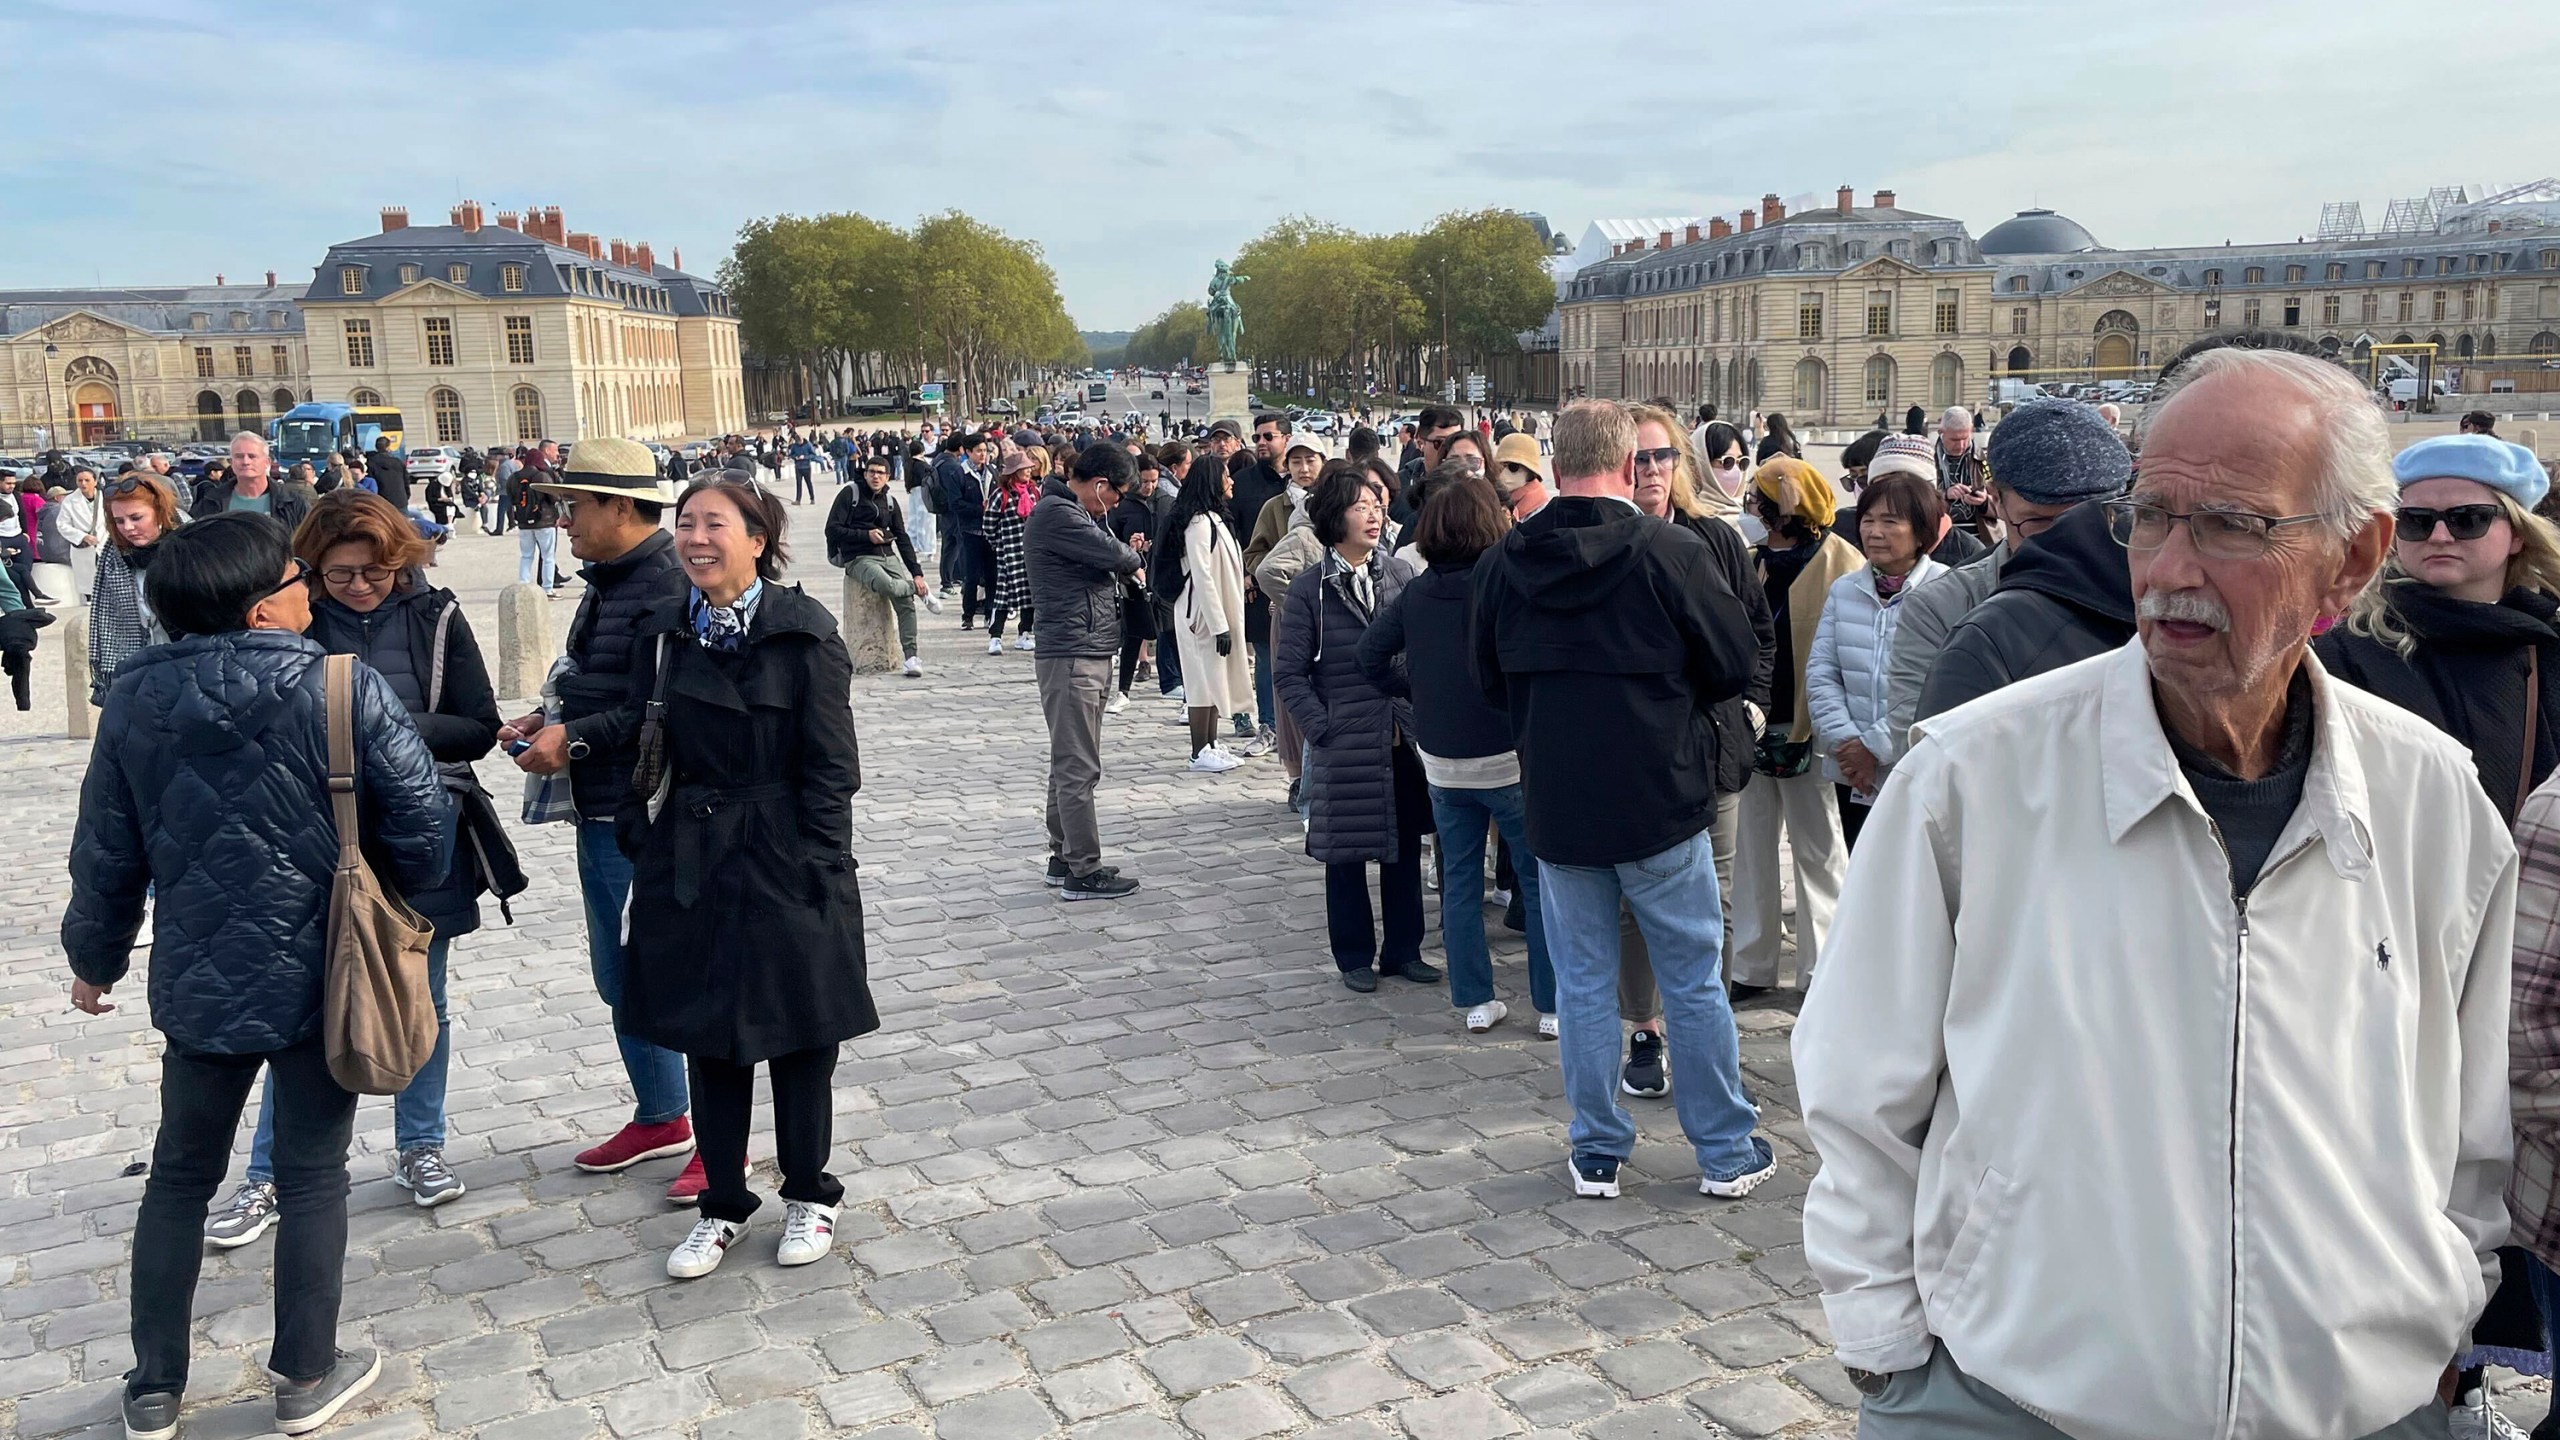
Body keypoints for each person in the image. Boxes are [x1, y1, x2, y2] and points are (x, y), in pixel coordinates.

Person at [1796, 346, 2514, 1440]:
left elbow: (2474, 1120)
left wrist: (2435, 1300)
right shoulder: (1972, 778)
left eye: (2230, 524)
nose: (2168, 566)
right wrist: (1889, 1354)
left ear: (2353, 557)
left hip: (2359, 1411)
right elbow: (1857, 1085)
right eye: (2149, 515)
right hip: (2014, 1405)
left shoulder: (2429, 794)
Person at [64, 511, 450, 1440]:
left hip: (199, 976)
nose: (306, 586)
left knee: (178, 1179)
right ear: (260, 604)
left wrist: (94, 959)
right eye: (292, 575)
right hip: (330, 972)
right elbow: (425, 832)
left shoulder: (133, 700)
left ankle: (155, 1388)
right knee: (314, 1176)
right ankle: (306, 1376)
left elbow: (104, 853)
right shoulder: (337, 686)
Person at [1471, 399, 1771, 1202]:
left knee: (1584, 986)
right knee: (1692, 982)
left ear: (1555, 467)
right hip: (1661, 798)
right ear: (1628, 464)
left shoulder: (1506, 563)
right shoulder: (1668, 551)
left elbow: (1487, 678)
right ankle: (1724, 1148)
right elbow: (1732, 661)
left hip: (1562, 804)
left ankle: (1598, 1146)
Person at [201, 493, 502, 1246]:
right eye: (340, 575)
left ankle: (420, 1147)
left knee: (417, 999)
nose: (359, 587)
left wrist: (381, 728)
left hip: (420, 833)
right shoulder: (297, 617)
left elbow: (480, 725)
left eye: (373, 572)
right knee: (301, 1013)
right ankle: (269, 1174)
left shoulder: (436, 618)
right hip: (314, 840)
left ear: (398, 560)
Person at [613, 477, 877, 1279]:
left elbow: (833, 769)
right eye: (686, 524)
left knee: (801, 1039)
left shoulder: (805, 634)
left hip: (785, 855)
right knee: (711, 1041)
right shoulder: (661, 631)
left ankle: (809, 1192)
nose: (695, 538)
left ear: (757, 540)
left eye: (713, 524)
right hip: (689, 859)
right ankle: (722, 1203)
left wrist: (821, 866)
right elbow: (636, 731)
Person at [498, 439, 699, 1202]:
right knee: (619, 977)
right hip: (601, 805)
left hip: (647, 811)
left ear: (620, 506)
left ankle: (720, 1137)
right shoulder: (609, 581)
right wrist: (546, 717)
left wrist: (574, 737)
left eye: (573, 503)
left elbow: (673, 706)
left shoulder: (671, 582)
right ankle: (661, 1112)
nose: (562, 518)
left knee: (671, 979)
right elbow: (601, 682)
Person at [1356, 472, 1546, 1031]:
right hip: (1507, 755)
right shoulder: (1508, 584)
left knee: (1459, 883)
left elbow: (1369, 656)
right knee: (1536, 883)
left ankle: (1474, 1000)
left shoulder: (1417, 591)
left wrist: (1415, 688)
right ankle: (1551, 1003)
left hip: (1443, 758)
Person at [1625, 404, 1778, 1052]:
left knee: (1709, 901)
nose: (1652, 469)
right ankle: (1644, 1028)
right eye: (1639, 457)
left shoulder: (1716, 538)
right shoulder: (1600, 540)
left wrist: (1752, 710)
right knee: (1633, 900)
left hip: (1711, 745)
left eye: (1663, 455)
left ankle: (1701, 1032)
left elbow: (1759, 635)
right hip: (1628, 753)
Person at [1884, 398, 2131, 756]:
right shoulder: (1939, 609)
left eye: (2088, 521)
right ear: (1996, 500)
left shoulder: (2155, 594)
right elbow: (1920, 756)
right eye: (2040, 522)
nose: (2067, 542)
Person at [1275, 464, 1436, 993]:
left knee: (1405, 848)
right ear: (1332, 516)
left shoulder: (1398, 575)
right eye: (1360, 505)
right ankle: (1353, 957)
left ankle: (1405, 951)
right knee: (1344, 854)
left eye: (1377, 503)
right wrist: (1322, 729)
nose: (1374, 513)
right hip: (1344, 740)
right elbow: (1289, 673)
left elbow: (1415, 655)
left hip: (1400, 737)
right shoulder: (1309, 590)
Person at [1730, 457, 1861, 999]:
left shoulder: (1844, 563)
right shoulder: (1749, 559)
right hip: (1754, 720)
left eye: (1759, 497)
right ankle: (1751, 965)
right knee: (1751, 847)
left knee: (1820, 849)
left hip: (1817, 724)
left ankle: (1821, 968)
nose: (1750, 506)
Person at [1803, 472, 1950, 850]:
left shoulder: (1946, 591)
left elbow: (1940, 686)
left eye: (1890, 521)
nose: (1874, 531)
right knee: (1862, 867)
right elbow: (1822, 672)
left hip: (1916, 766)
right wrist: (1847, 744)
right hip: (1852, 773)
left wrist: (1875, 748)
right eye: (1868, 520)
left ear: (1921, 532)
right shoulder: (1845, 589)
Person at [1026, 444, 1147, 899]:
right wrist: (1129, 555)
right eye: (1117, 494)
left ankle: (1064, 856)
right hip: (1072, 654)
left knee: (1068, 762)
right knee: (1079, 766)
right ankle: (1084, 869)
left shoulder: (1071, 511)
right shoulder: (1059, 513)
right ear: (1100, 484)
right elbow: (1116, 555)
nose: (1118, 502)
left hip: (1084, 649)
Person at [1159, 452, 1253, 772]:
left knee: (1213, 681)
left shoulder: (1213, 518)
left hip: (1211, 614)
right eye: (1225, 475)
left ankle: (1210, 744)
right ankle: (1199, 751)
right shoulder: (1199, 523)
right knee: (1201, 683)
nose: (1231, 481)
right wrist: (1218, 624)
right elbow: (1202, 575)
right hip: (1200, 615)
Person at [826, 453, 940, 677]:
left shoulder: (889, 501)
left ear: (888, 476)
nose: (875, 477)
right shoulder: (851, 494)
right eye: (871, 472)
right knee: (886, 584)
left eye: (880, 473)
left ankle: (911, 657)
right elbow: (832, 529)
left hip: (888, 556)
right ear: (865, 473)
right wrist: (865, 535)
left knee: (904, 603)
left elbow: (902, 537)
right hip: (858, 557)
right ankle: (919, 592)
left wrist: (917, 573)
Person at [88, 473, 183, 704]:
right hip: (135, 661)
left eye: (136, 517)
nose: (128, 528)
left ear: (160, 511)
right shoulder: (112, 556)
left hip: (184, 657)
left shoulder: (188, 547)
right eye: (119, 521)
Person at [191, 432, 315, 530]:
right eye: (239, 456)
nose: (245, 462)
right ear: (231, 463)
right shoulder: (211, 501)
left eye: (252, 456)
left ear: (267, 462)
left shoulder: (292, 503)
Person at [984, 448, 1040, 654]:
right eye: (1024, 468)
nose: (1028, 471)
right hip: (1009, 552)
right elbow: (989, 524)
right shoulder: (1001, 494)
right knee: (1003, 596)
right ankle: (995, 636)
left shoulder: (1034, 492)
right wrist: (999, 545)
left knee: (1029, 595)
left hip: (1031, 552)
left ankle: (1024, 632)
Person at [937, 434, 994, 626]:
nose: (982, 454)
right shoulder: (959, 474)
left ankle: (989, 612)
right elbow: (955, 504)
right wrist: (979, 509)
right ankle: (967, 615)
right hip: (970, 532)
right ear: (968, 452)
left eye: (985, 450)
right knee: (971, 575)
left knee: (991, 575)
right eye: (978, 451)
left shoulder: (992, 472)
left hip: (991, 531)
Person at [508, 441, 566, 593]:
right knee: (548, 556)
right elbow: (554, 497)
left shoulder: (514, 477)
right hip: (544, 521)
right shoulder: (541, 475)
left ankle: (523, 585)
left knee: (526, 556)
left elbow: (511, 497)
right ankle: (547, 589)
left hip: (523, 522)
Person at [1934, 405, 1990, 537]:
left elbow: (2003, 502)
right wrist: (1945, 494)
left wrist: (1985, 501)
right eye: (1954, 439)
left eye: (1965, 438)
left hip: (1980, 537)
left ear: (1971, 430)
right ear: (1941, 432)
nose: (1960, 445)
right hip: (1940, 537)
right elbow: (1918, 499)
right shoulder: (1929, 460)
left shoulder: (1983, 459)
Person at [54, 467, 106, 600]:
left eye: (87, 480)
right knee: (88, 582)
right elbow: (62, 524)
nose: (83, 484)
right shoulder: (70, 500)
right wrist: (82, 536)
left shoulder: (105, 498)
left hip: (104, 543)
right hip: (84, 547)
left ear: (95, 482)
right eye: (80, 480)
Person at [1492, 433, 1553, 521]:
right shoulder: (1494, 498)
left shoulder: (1542, 510)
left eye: (1513, 467)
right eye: (1500, 467)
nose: (1503, 474)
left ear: (1530, 472)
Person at [364, 436, 411, 512]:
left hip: (382, 502)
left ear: (376, 447)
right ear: (388, 447)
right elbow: (406, 481)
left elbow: (371, 484)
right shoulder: (398, 462)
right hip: (400, 500)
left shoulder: (371, 463)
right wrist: (406, 496)